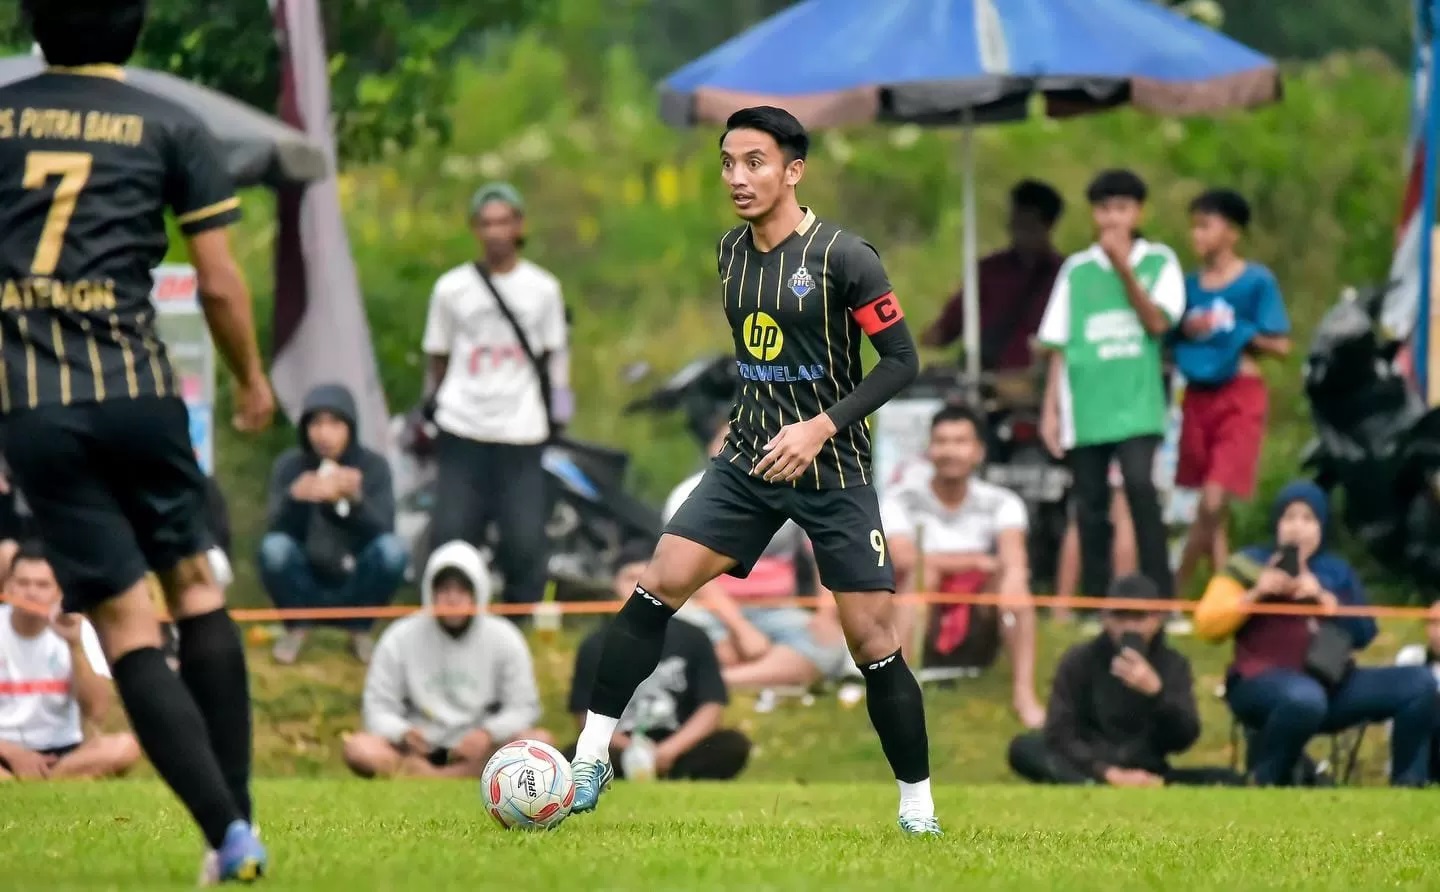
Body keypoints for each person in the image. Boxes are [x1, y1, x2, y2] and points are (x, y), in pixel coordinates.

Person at [568, 106, 937, 834]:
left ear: (793, 170)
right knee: (657, 583)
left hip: (833, 468)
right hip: (749, 462)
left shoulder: (845, 257)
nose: (738, 177)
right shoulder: (730, 253)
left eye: (755, 162)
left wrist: (822, 425)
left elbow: (903, 362)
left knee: (872, 640)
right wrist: (752, 421)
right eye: (728, 162)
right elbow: (760, 357)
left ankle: (917, 807)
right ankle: (588, 757)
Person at [0, 1, 273, 881]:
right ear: (138, 28)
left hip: (38, 404)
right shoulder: (173, 122)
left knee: (125, 622)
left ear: (37, 23)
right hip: (141, 392)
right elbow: (222, 287)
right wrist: (252, 382)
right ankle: (236, 824)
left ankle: (227, 833)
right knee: (195, 588)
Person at [1195, 481, 1436, 787]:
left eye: (1308, 519)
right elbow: (1206, 626)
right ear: (1277, 524)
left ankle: (1409, 783)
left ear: (1322, 527)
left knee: (1418, 683)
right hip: (1262, 684)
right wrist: (1255, 594)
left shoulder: (1336, 572)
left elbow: (1364, 633)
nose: (1297, 528)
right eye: (1289, 518)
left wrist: (1325, 600)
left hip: (1333, 684)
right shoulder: (1248, 563)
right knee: (1304, 698)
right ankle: (1264, 780)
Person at [421, 182, 571, 607]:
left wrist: (560, 414)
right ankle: (450, 609)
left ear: (518, 226)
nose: (495, 233)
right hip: (462, 422)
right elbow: (437, 354)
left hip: (520, 428)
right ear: (475, 229)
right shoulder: (452, 288)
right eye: (486, 224)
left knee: (524, 536)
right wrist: (430, 409)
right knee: (452, 530)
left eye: (503, 222)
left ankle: (522, 614)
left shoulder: (543, 288)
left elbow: (556, 357)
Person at [1038, 169, 1182, 604]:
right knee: (1090, 503)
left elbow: (1158, 321)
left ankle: (1161, 596)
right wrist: (1051, 410)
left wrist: (1122, 266)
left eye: (1121, 208)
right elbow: (1058, 344)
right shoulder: (1077, 270)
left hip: (1138, 404)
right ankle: (1096, 600)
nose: (1112, 218)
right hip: (1086, 406)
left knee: (1141, 489)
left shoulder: (1159, 261)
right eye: (1104, 209)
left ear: (1138, 212)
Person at [880, 406, 1044, 728]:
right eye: (941, 441)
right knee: (922, 573)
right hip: (918, 607)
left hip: (978, 613)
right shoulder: (900, 499)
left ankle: (1024, 694)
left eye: (960, 441)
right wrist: (975, 561)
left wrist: (1010, 575)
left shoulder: (1002, 501)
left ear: (978, 452)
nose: (950, 451)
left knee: (1015, 586)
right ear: (929, 450)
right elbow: (904, 559)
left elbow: (1013, 557)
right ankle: (899, 693)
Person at [668, 417, 851, 690]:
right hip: (709, 610)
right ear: (712, 448)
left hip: (777, 609)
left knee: (829, 644)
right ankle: (764, 672)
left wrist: (825, 614)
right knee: (688, 641)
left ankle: (722, 681)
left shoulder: (800, 489)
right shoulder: (687, 495)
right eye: (731, 441)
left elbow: (824, 555)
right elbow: (689, 574)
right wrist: (740, 628)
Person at [342, 540, 550, 779]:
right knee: (359, 748)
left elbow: (524, 707)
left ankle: (433, 776)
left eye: (462, 590)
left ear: (478, 593)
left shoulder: (505, 637)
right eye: (444, 590)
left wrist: (488, 733)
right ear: (430, 593)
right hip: (417, 750)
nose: (452, 599)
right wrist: (404, 733)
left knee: (539, 742)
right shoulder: (399, 637)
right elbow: (377, 708)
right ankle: (430, 772)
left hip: (482, 751)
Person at [1008, 574, 1238, 786]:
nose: (1128, 625)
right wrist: (1107, 772)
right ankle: (1095, 784)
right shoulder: (1080, 659)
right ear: (1106, 618)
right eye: (1120, 616)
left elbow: (1184, 737)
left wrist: (1156, 694)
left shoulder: (1172, 663)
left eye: (1138, 617)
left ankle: (1117, 784)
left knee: (1228, 779)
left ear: (1156, 619)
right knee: (1024, 748)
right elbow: (1060, 733)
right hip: (1090, 765)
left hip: (1147, 767)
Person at [1172, 189, 1291, 596]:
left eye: (1206, 225)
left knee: (1213, 498)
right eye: (1194, 226)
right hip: (1197, 395)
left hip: (1240, 392)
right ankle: (1224, 594)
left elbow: (1281, 345)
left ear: (1232, 232)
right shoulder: (1187, 287)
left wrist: (1240, 333)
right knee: (1211, 508)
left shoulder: (1255, 281)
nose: (1197, 235)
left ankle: (1174, 589)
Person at [565, 542, 752, 781]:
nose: (637, 587)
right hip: (620, 748)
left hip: (679, 744)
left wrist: (669, 750)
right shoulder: (594, 645)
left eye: (644, 577)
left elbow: (711, 706)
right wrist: (633, 750)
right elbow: (583, 714)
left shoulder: (694, 637)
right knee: (573, 754)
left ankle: (676, 771)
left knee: (731, 745)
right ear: (614, 583)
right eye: (630, 578)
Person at [260, 383, 408, 665]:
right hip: (305, 572)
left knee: (393, 551)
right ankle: (296, 626)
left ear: (350, 427)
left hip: (355, 572)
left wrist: (356, 501)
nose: (324, 433)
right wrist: (296, 498)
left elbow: (385, 532)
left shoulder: (373, 466)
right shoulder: (290, 466)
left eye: (334, 423)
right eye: (316, 423)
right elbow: (273, 535)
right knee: (274, 549)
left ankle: (360, 628)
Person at [0, 542, 141, 781]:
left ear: (58, 590)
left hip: (64, 751)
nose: (31, 592)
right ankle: (32, 778)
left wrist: (74, 645)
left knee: (125, 746)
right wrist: (13, 753)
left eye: (42, 585)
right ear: (8, 585)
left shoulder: (78, 629)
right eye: (22, 583)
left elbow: (96, 710)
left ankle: (45, 778)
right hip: (5, 749)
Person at [922, 179, 1065, 372]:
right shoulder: (989, 271)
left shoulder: (1065, 275)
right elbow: (946, 329)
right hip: (986, 381)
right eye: (1016, 222)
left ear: (1047, 226)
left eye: (1028, 224)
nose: (1019, 231)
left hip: (1040, 383)